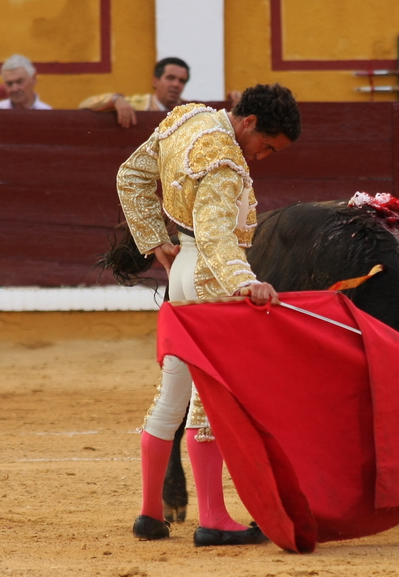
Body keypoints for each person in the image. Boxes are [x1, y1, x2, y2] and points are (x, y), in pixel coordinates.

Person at [116, 83, 301, 546]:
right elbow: (218, 236)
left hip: (181, 269)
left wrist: (154, 237)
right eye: (267, 147)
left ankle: (150, 514)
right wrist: (243, 281)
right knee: (209, 400)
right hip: (210, 274)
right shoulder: (225, 160)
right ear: (250, 122)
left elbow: (131, 176)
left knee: (173, 393)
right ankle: (214, 518)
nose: (262, 158)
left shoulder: (187, 117)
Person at [79, 57, 190, 127]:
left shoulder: (190, 111)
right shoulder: (137, 105)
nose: (176, 85)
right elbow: (84, 104)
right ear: (155, 81)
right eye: (170, 78)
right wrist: (116, 99)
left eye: (181, 81)